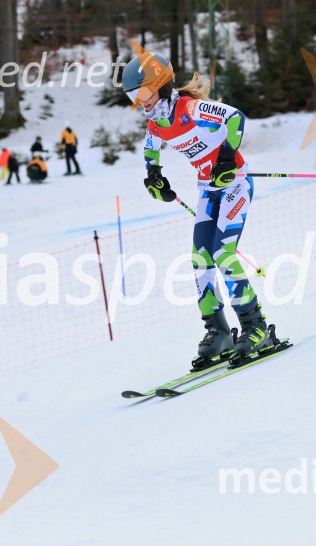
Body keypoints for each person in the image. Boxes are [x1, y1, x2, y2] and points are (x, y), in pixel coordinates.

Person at [122, 52, 275, 364]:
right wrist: (154, 176)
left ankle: (255, 326)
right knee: (200, 259)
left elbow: (235, 118)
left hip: (234, 184)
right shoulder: (156, 123)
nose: (139, 101)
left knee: (223, 254)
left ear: (162, 85)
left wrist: (227, 158)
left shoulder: (189, 107)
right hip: (208, 190)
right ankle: (218, 332)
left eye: (143, 92)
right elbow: (150, 149)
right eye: (133, 96)